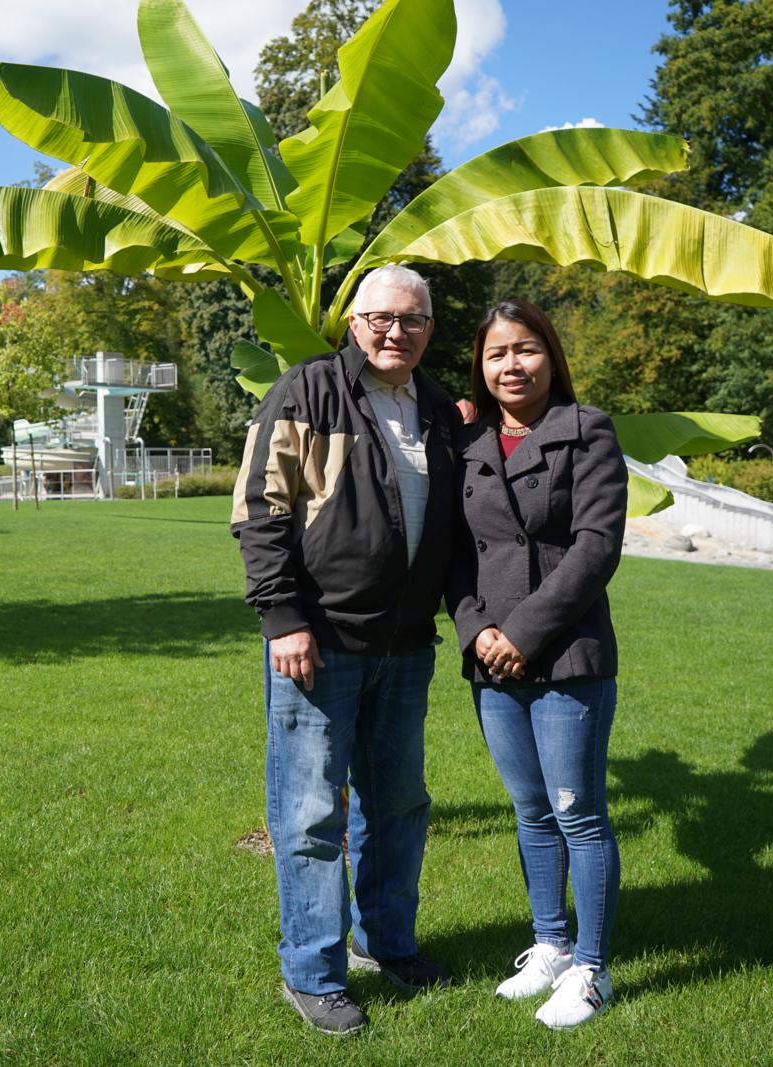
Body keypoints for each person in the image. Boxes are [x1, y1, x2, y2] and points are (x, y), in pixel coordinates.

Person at [231, 265, 461, 1036]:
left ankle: (386, 943)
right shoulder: (307, 390)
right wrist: (282, 617)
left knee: (398, 806)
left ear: (431, 327)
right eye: (382, 317)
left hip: (404, 645)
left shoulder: (437, 407)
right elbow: (260, 509)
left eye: (413, 319)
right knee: (309, 815)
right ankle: (313, 973)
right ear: (355, 322)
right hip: (319, 643)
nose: (396, 331)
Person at [447, 298, 628, 1030]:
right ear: (480, 368)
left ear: (551, 356)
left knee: (577, 810)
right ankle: (549, 942)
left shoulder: (587, 432)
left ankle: (592, 966)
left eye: (525, 349)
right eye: (496, 354)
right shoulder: (467, 443)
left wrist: (520, 633)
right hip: (491, 661)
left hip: (567, 655)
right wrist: (476, 632)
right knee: (529, 810)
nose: (511, 364)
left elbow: (595, 548)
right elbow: (453, 558)